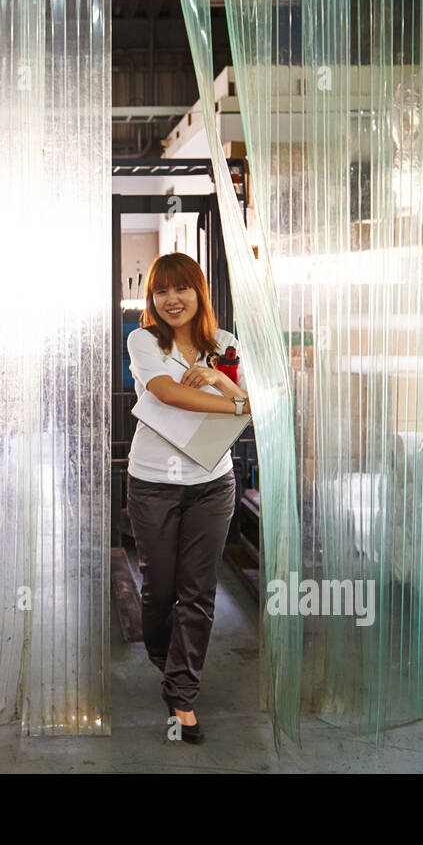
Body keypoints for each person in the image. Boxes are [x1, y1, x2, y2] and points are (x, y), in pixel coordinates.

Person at [124, 252, 249, 744]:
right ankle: (167, 658)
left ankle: (182, 694)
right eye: (161, 291)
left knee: (197, 591)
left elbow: (251, 409)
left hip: (212, 483)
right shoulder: (144, 341)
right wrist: (236, 401)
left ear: (200, 292)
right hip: (153, 481)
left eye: (182, 289)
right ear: (153, 299)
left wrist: (221, 380)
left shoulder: (225, 346)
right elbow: (166, 393)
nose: (172, 299)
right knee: (159, 592)